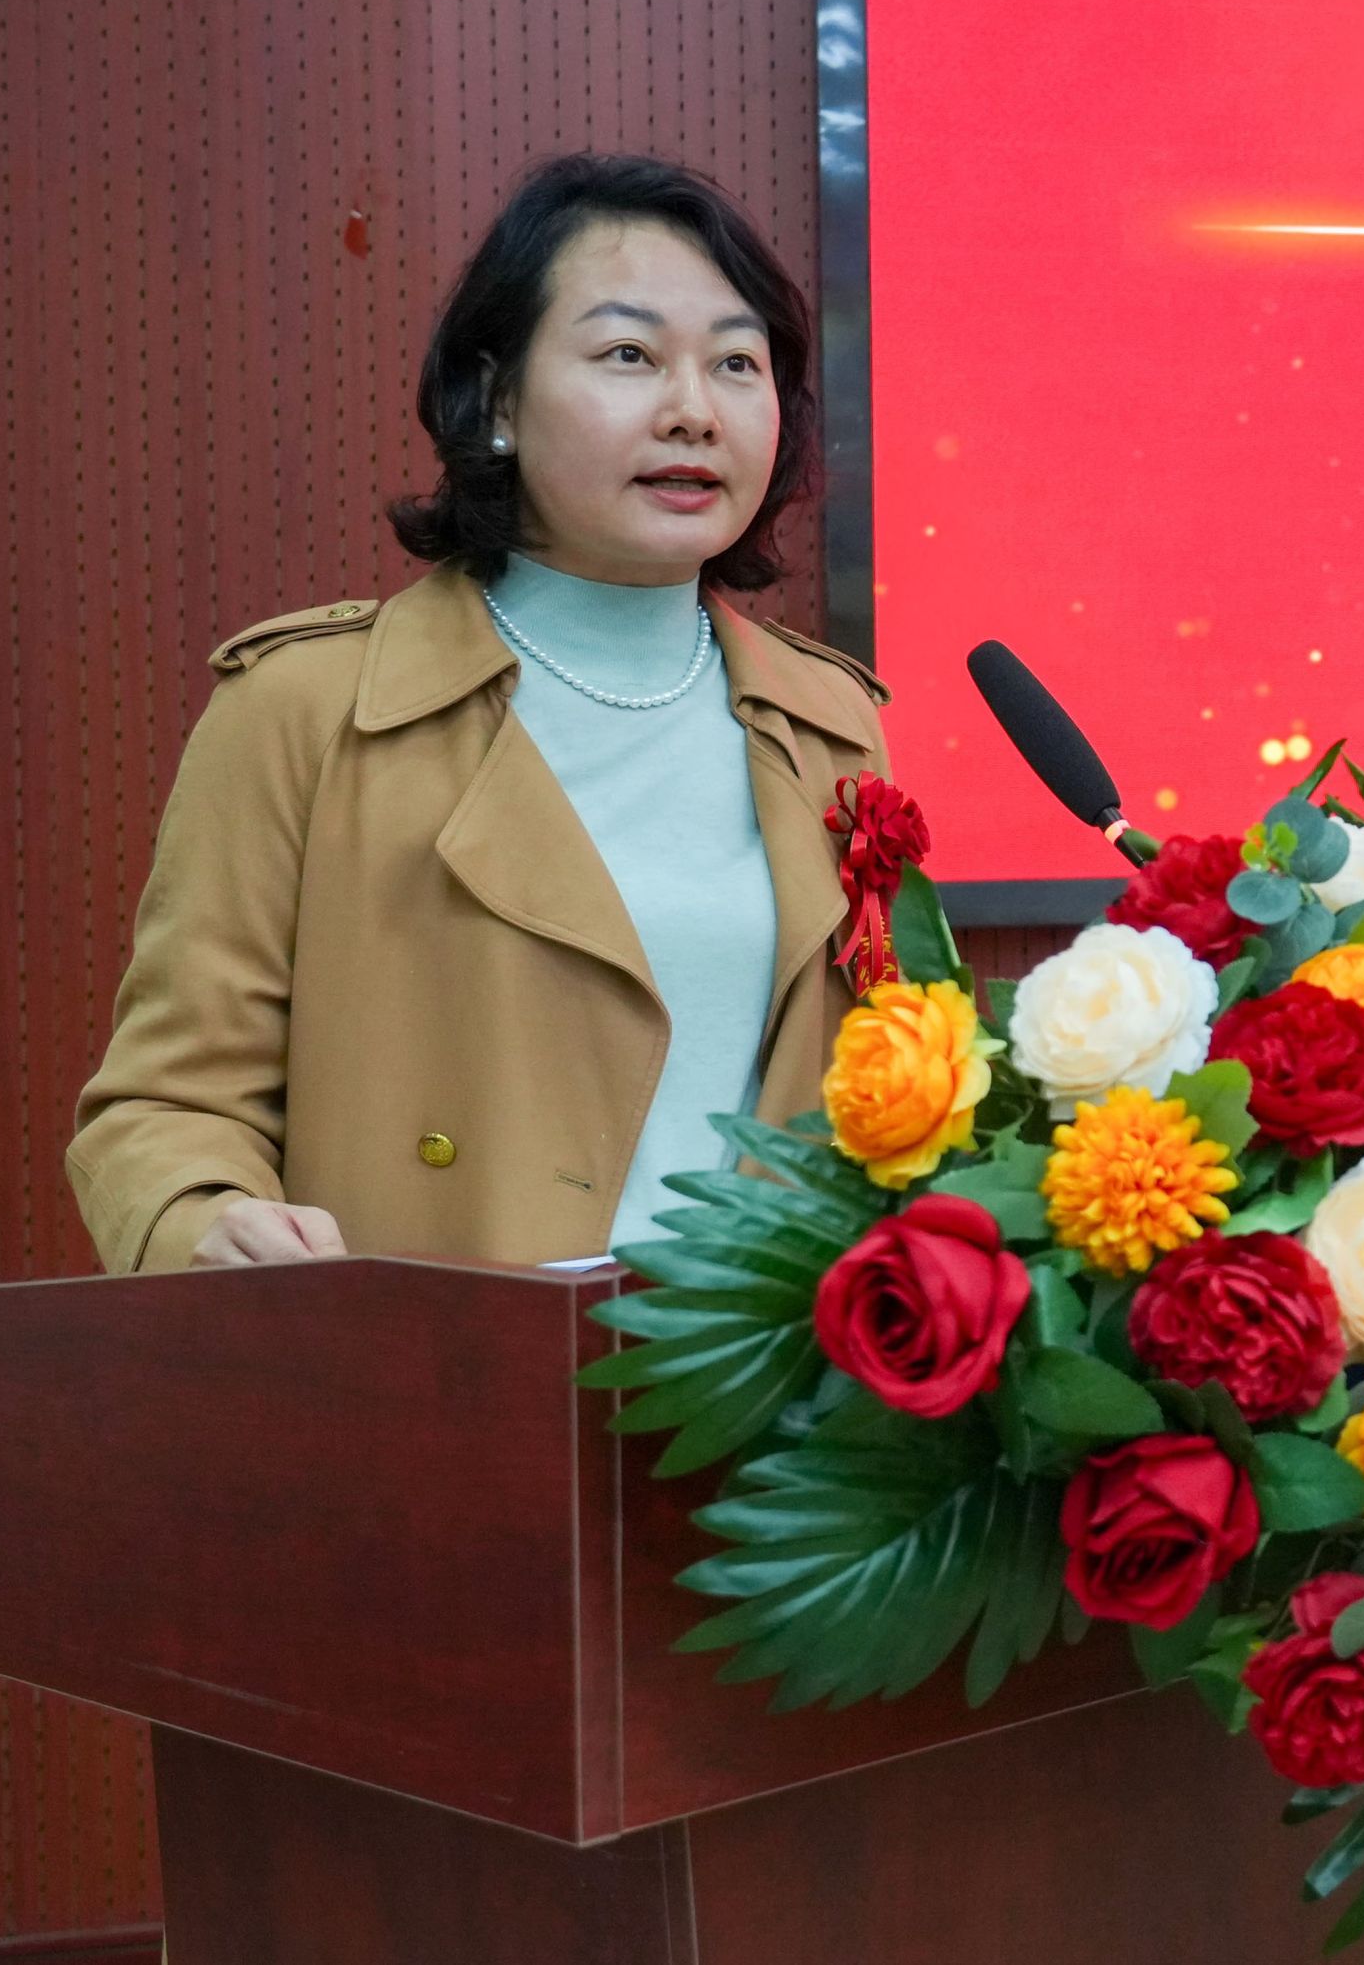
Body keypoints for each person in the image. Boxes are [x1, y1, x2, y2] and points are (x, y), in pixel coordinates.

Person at [66, 156, 886, 1273]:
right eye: (629, 355)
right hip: (440, 1364)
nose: (694, 412)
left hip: (766, 1372)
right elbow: (163, 1108)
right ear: (497, 401)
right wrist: (203, 1218)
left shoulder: (831, 722)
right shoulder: (309, 711)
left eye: (737, 364)